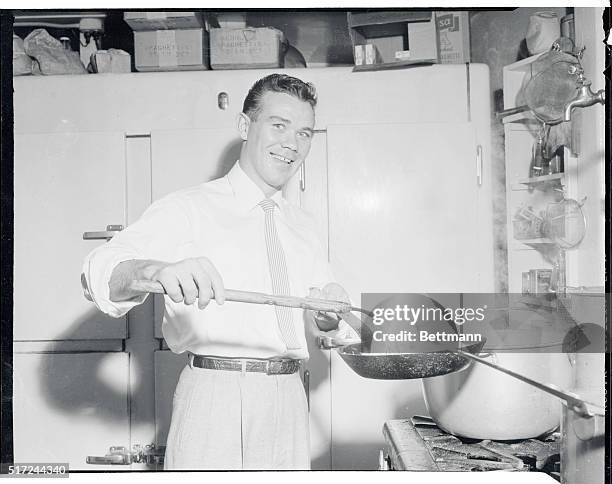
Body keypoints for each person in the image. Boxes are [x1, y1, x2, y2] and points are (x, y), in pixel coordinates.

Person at [81, 73, 355, 470]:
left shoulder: (304, 226)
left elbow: (322, 323)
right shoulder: (187, 208)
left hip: (289, 398)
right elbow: (97, 274)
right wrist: (154, 269)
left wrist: (329, 318)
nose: (292, 144)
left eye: (305, 133)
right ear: (245, 125)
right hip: (213, 397)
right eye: (279, 125)